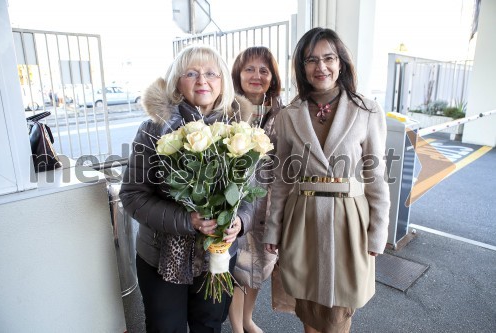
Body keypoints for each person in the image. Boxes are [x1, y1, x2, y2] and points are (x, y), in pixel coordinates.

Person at [119, 44, 256, 333]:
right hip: (161, 257)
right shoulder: (153, 129)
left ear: (223, 82)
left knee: (208, 325)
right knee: (165, 327)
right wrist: (187, 221)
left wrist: (241, 221)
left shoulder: (239, 130)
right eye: (191, 73)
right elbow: (132, 196)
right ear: (177, 82)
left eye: (211, 73)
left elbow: (250, 195)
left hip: (217, 257)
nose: (202, 80)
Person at [263, 27, 391, 333]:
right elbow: (282, 180)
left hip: (349, 221)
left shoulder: (367, 110)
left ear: (341, 62)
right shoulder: (288, 115)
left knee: (337, 312)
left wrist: (378, 231)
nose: (321, 67)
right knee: (308, 306)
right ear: (302, 67)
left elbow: (376, 177)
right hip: (302, 219)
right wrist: (273, 229)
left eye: (329, 58)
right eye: (311, 60)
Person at [228, 46, 283, 333]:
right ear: (238, 73)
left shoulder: (283, 113)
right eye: (249, 69)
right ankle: (238, 327)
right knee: (238, 269)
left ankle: (247, 319)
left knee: (260, 266)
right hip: (234, 204)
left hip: (270, 203)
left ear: (273, 77)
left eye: (264, 70)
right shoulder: (227, 110)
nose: (256, 75)